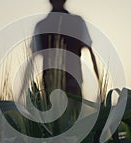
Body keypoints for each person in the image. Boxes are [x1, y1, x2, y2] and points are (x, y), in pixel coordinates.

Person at [30, 0, 99, 133]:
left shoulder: (42, 25)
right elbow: (90, 51)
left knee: (54, 127)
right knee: (73, 125)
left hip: (52, 84)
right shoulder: (77, 22)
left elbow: (32, 58)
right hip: (68, 82)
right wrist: (100, 81)